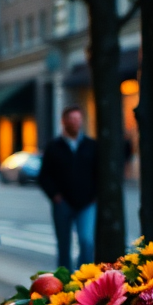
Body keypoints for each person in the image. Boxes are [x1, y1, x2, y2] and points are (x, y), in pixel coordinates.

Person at [38, 106, 98, 271]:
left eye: (78, 119)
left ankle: (83, 276)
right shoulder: (53, 147)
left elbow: (99, 172)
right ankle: (64, 279)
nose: (75, 123)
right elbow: (44, 176)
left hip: (87, 203)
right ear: (64, 121)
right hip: (62, 203)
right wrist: (55, 195)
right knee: (63, 244)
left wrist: (94, 195)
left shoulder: (91, 145)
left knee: (87, 240)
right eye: (71, 119)